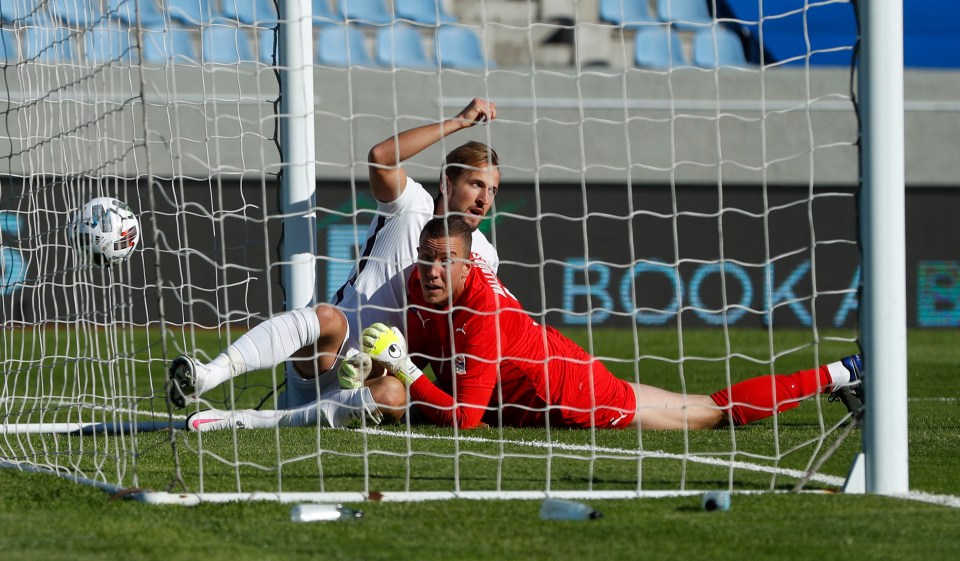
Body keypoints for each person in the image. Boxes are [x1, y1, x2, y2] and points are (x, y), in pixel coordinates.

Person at [171, 98, 501, 431]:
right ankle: (208, 375)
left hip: (373, 378)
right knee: (327, 316)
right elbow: (380, 157)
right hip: (329, 352)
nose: (484, 199)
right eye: (476, 184)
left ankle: (256, 421)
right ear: (447, 182)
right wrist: (459, 122)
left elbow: (460, 337)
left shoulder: (485, 258)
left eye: (492, 190)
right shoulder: (412, 203)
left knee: (393, 395)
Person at [359, 216, 865, 431]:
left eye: (445, 260)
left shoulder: (483, 310)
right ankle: (844, 371)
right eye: (425, 258)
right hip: (552, 365)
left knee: (708, 416)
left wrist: (403, 370)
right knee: (698, 405)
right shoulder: (414, 284)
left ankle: (838, 373)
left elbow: (465, 421)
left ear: (470, 264)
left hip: (571, 396)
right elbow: (431, 358)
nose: (431, 270)